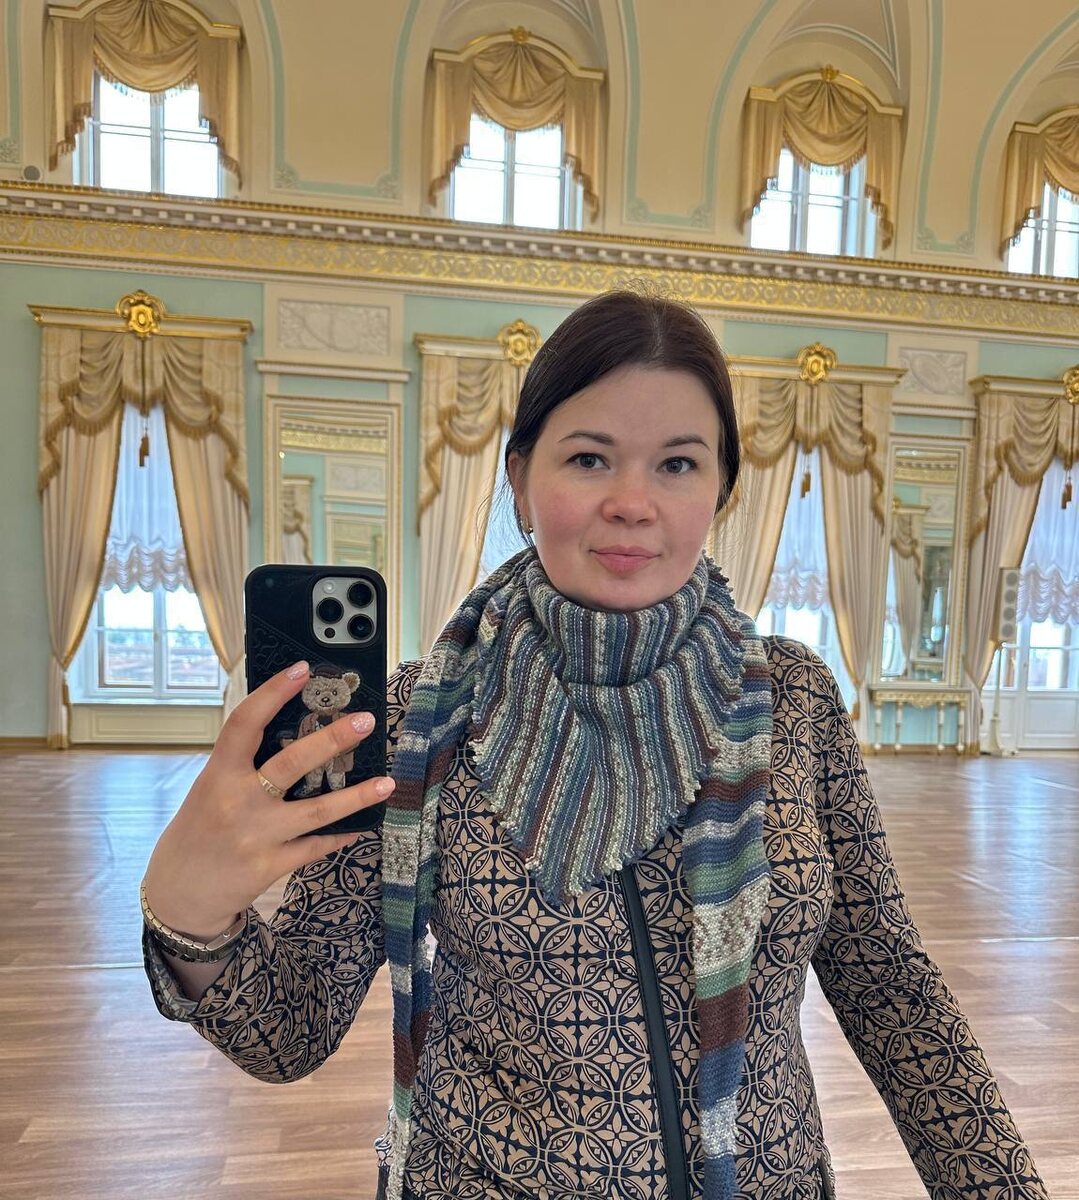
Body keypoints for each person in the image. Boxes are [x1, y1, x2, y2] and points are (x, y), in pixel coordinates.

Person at [142, 289, 1049, 1200]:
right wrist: (192, 920)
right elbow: (290, 1030)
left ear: (721, 490)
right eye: (588, 458)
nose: (631, 504)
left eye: (677, 464)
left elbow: (888, 988)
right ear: (519, 478)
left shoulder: (793, 699)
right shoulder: (419, 721)